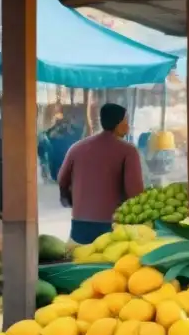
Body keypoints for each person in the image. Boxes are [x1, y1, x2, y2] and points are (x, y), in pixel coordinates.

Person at [58, 103, 144, 244]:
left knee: (80, 261)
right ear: (118, 123)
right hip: (112, 226)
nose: (128, 126)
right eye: (126, 121)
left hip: (80, 225)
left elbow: (62, 180)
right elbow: (135, 192)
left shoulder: (77, 148)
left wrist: (72, 201)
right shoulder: (128, 151)